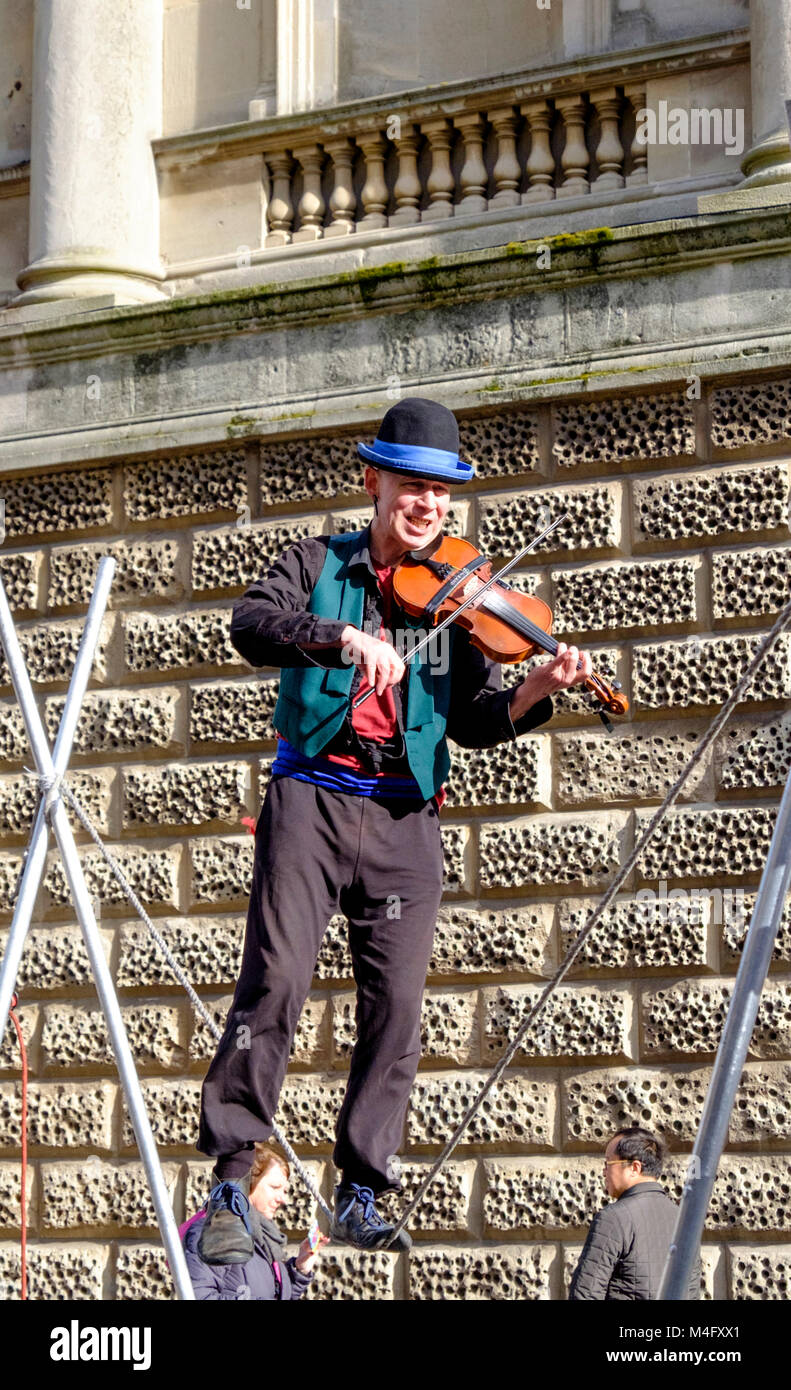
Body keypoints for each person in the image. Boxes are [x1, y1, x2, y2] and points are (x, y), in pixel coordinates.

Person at [196, 396, 593, 1262]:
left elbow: (472, 722)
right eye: (412, 487)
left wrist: (532, 694)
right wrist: (342, 638)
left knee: (398, 1009)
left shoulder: (454, 601)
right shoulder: (312, 562)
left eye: (442, 494)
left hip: (407, 813)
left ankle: (363, 1188)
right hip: (312, 797)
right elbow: (251, 627)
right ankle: (232, 1175)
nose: (427, 507)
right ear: (372, 481)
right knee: (275, 982)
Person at [569, 1126, 701, 1300]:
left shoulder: (614, 1218)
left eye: (608, 1163)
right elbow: (691, 1293)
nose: (603, 1172)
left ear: (634, 1168)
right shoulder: (685, 1220)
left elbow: (585, 1294)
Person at [183, 1142, 328, 1299]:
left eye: (284, 1190)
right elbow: (198, 1295)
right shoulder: (217, 1230)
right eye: (274, 1187)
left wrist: (299, 1269)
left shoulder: (264, 1237)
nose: (283, 1199)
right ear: (248, 1185)